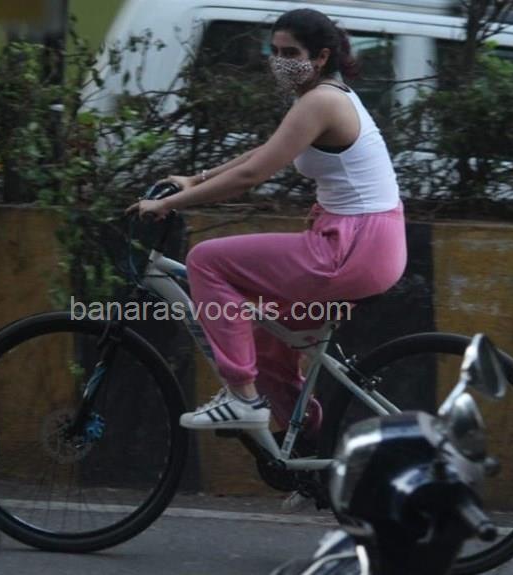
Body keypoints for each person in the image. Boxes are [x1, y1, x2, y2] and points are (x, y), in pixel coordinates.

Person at [126, 8, 407, 439]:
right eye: (274, 52)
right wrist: (197, 179)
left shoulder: (322, 101)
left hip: (352, 248)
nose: (279, 61)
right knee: (268, 343)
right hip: (363, 244)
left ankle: (242, 398)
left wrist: (168, 203)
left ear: (320, 57)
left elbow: (252, 175)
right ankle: (308, 447)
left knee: (206, 261)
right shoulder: (321, 95)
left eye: (290, 53)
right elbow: (267, 150)